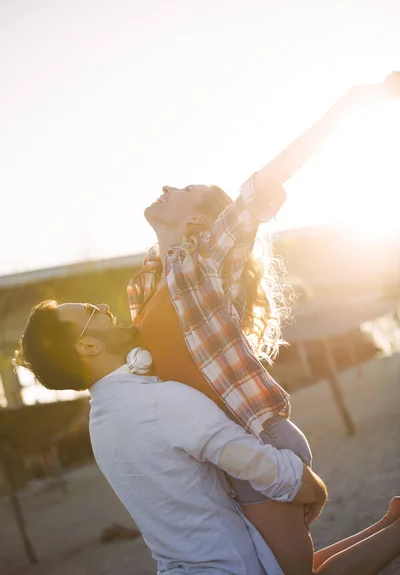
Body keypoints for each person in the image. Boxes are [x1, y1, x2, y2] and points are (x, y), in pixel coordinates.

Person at [127, 72, 400, 575]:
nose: (166, 187)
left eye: (183, 188)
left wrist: (355, 102)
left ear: (197, 223)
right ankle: (389, 526)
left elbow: (270, 176)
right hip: (224, 458)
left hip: (258, 440)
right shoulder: (145, 290)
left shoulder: (210, 257)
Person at [15, 301, 400, 575]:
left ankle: (387, 526)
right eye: (93, 313)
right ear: (87, 346)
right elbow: (254, 461)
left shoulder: (102, 419)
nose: (104, 307)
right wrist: (309, 484)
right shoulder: (160, 400)